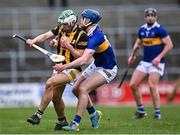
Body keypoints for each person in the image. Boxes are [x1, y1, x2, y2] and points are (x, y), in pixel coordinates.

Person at [26, 9, 97, 131]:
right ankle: (62, 121)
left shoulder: (82, 35)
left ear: (72, 22)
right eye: (62, 24)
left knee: (50, 83)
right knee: (56, 97)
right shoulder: (61, 28)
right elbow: (46, 36)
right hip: (59, 67)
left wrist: (68, 46)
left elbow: (81, 57)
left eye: (65, 24)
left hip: (73, 69)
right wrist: (34, 40)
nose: (62, 26)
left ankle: (37, 115)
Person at [54, 9, 118, 131]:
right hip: (96, 65)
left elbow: (83, 60)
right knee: (75, 89)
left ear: (88, 21)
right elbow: (71, 37)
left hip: (108, 69)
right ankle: (94, 114)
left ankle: (75, 123)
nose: (80, 20)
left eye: (83, 18)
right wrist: (56, 41)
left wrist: (63, 67)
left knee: (83, 89)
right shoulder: (86, 30)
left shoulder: (96, 36)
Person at [128, 8, 173, 119]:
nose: (150, 17)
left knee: (152, 85)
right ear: (145, 17)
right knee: (132, 84)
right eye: (148, 15)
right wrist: (133, 55)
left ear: (156, 17)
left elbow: (169, 45)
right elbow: (138, 43)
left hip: (157, 63)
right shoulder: (142, 29)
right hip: (145, 62)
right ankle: (141, 110)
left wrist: (158, 58)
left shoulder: (160, 29)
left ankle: (157, 113)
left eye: (152, 15)